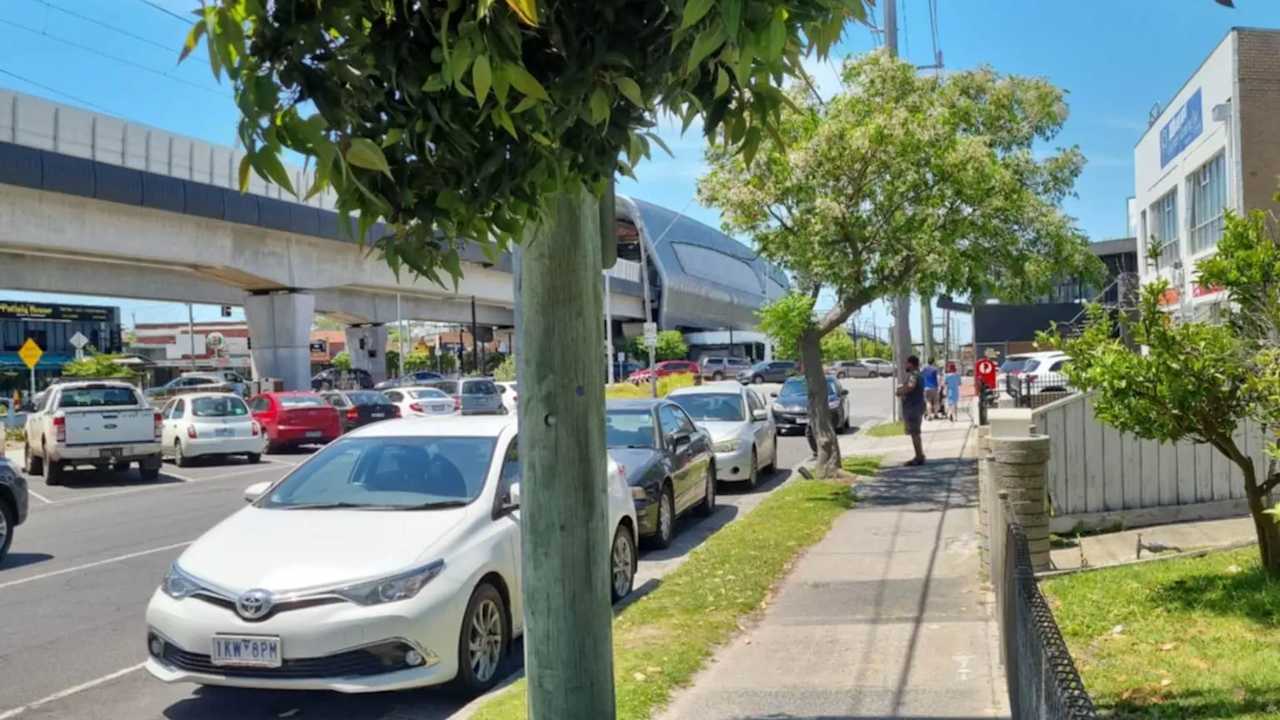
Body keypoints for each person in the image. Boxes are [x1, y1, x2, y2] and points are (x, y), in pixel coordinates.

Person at [896, 355, 926, 466]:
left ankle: (919, 457)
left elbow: (910, 387)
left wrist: (900, 391)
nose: (905, 365)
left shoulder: (914, 375)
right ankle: (919, 455)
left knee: (915, 433)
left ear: (911, 364)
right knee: (915, 433)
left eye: (907, 363)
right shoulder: (919, 375)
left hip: (913, 407)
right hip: (916, 406)